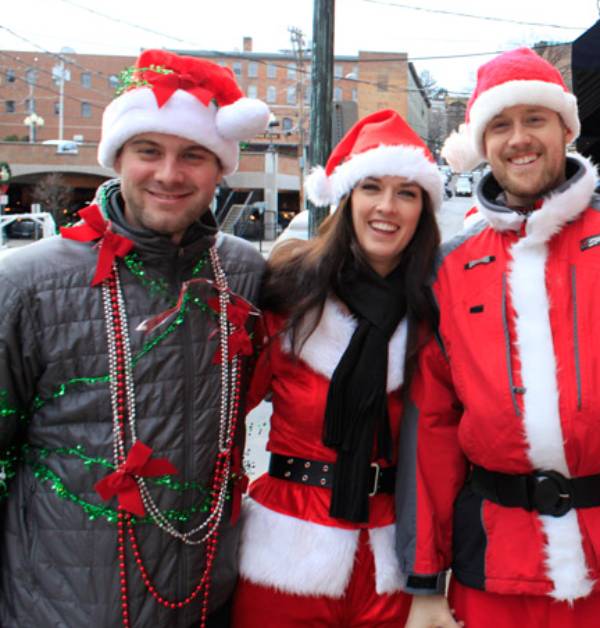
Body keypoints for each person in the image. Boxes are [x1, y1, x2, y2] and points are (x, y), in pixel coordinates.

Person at [397, 47, 600, 628]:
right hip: (491, 566)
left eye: (535, 119)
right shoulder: (447, 268)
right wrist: (423, 580)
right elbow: (431, 430)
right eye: (500, 124)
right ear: (482, 141)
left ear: (566, 128)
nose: (518, 139)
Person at [0, 49, 269, 626]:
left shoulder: (244, 274)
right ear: (117, 157)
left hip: (204, 598)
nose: (169, 175)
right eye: (149, 151)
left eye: (193, 155)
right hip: (61, 606)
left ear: (220, 169)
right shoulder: (26, 284)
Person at [231, 110, 443, 625]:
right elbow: (225, 413)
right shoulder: (290, 292)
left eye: (407, 193)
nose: (387, 207)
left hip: (391, 556)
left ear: (424, 209)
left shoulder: (436, 308)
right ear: (346, 198)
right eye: (371, 187)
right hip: (286, 548)